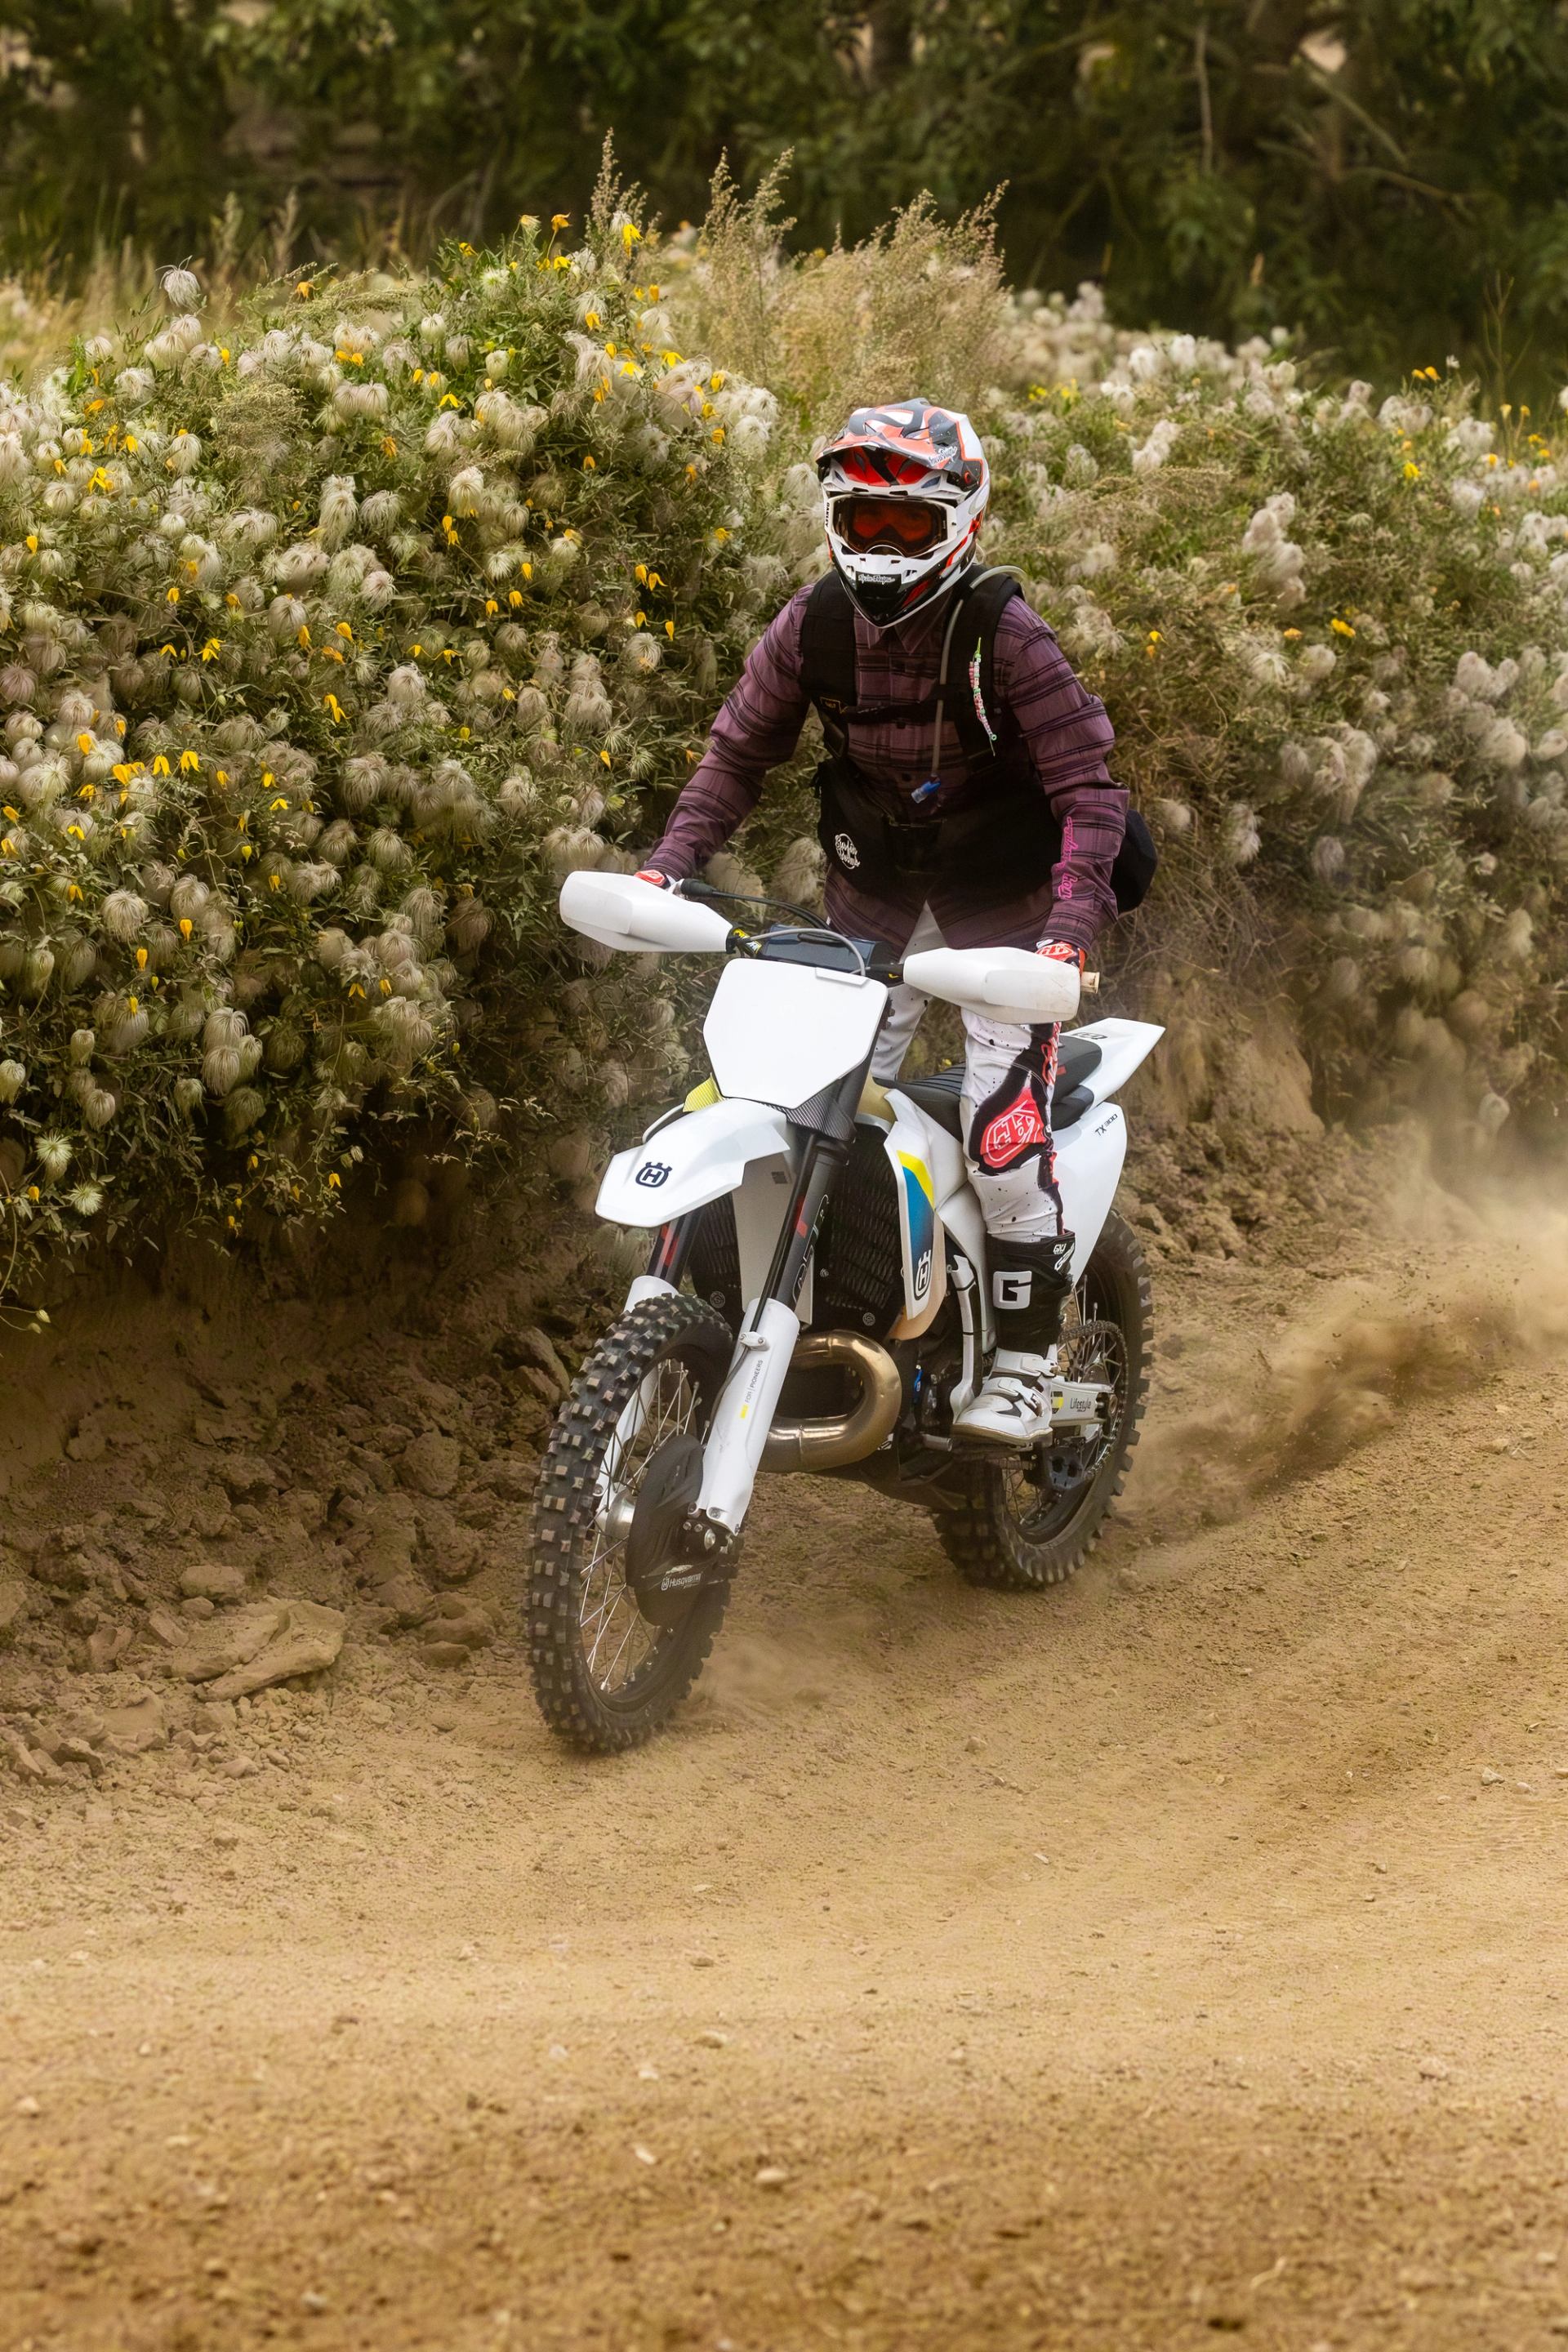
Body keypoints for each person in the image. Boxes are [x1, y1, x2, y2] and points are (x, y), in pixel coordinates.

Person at [636, 397, 1137, 1448]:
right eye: (862, 521)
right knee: (803, 1108)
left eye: (905, 525)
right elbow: (735, 756)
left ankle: (1027, 1361)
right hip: (868, 919)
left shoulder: (1005, 632)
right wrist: (666, 871)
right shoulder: (812, 624)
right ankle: (822, 1314)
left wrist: (1069, 933)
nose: (880, 543)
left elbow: (1092, 795)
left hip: (1006, 924)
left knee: (1003, 1141)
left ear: (961, 523)